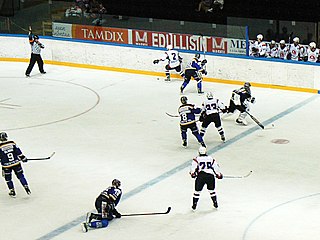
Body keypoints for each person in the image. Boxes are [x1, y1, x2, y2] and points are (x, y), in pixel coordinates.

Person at [0, 132, 31, 197]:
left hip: (6, 166)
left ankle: (12, 191)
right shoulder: (12, 143)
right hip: (16, 163)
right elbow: (18, 152)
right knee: (21, 176)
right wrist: (23, 158)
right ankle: (26, 187)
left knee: (8, 179)